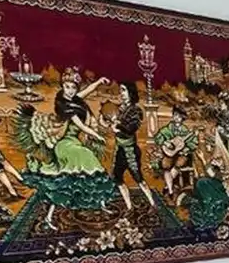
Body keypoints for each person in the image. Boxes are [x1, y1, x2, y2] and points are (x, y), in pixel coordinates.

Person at [13, 67, 116, 229]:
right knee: (86, 160)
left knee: (74, 177)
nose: (70, 90)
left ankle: (101, 204)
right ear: (62, 87)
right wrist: (96, 135)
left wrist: (98, 82)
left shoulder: (75, 99)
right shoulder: (64, 105)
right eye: (67, 87)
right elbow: (81, 126)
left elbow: (86, 91)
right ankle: (50, 216)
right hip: (64, 145)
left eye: (73, 87)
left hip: (74, 142)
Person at [109, 82, 155, 211]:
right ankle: (129, 206)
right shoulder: (120, 109)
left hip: (130, 151)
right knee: (117, 178)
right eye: (120, 90)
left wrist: (118, 127)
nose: (121, 93)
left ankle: (152, 203)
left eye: (124, 90)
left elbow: (131, 129)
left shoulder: (136, 110)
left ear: (131, 92)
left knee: (138, 178)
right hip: (120, 149)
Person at [153, 106, 198, 195]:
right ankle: (170, 190)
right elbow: (157, 137)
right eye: (175, 115)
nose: (176, 117)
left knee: (179, 163)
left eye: (179, 116)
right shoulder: (167, 129)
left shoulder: (185, 130)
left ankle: (167, 187)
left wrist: (186, 149)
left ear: (183, 118)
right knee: (166, 165)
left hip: (181, 154)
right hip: (169, 153)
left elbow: (193, 143)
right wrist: (165, 143)